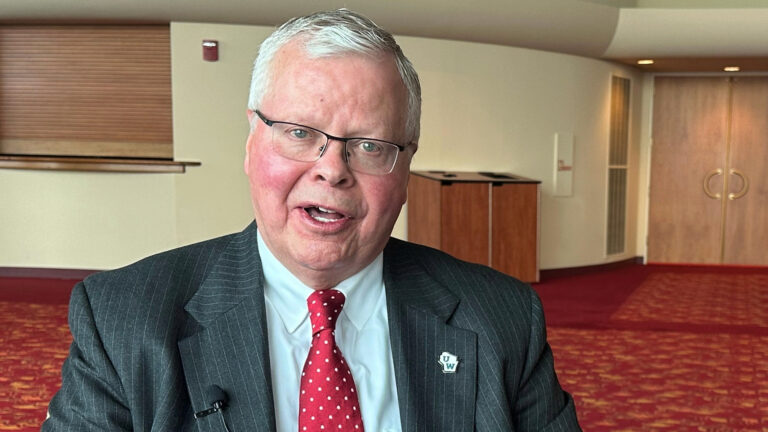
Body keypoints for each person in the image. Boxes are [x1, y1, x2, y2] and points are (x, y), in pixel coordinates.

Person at [43, 9, 580, 431]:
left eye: (369, 145)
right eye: (300, 133)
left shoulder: (504, 319)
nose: (332, 171)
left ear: (405, 167)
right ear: (252, 142)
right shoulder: (123, 320)